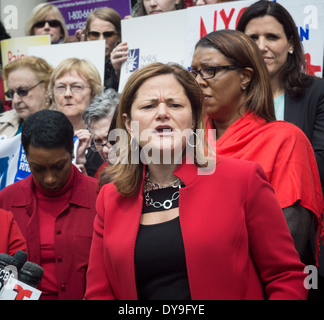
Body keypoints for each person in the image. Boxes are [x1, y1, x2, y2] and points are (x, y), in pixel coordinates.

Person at [84, 62, 308, 300]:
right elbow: (99, 293)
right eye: (149, 106)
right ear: (129, 124)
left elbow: (286, 276)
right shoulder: (110, 198)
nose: (162, 113)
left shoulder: (243, 179)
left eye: (175, 104)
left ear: (192, 119)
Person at [190, 29, 323, 267]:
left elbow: (288, 243)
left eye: (210, 70)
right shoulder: (186, 143)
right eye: (194, 72)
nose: (198, 81)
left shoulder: (285, 140)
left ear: (245, 77)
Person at [0, 109, 98, 300]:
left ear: (72, 149)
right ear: (26, 157)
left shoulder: (101, 197)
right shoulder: (6, 201)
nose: (50, 178)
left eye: (59, 166)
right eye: (38, 168)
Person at [236, 0, 324, 189]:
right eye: (252, 38)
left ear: (290, 43)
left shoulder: (317, 93)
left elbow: (319, 164)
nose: (261, 46)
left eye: (271, 37)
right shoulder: (230, 98)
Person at [49, 58, 104, 177]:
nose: (67, 94)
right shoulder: (45, 135)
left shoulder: (104, 138)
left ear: (93, 93)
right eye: (61, 87)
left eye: (77, 87)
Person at [0, 56, 53, 139]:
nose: (15, 101)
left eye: (23, 91)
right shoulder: (2, 124)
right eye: (11, 93)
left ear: (46, 88)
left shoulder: (69, 123)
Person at [82, 88, 119, 179]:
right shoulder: (101, 175)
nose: (105, 150)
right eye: (98, 141)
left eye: (111, 139)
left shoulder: (151, 167)